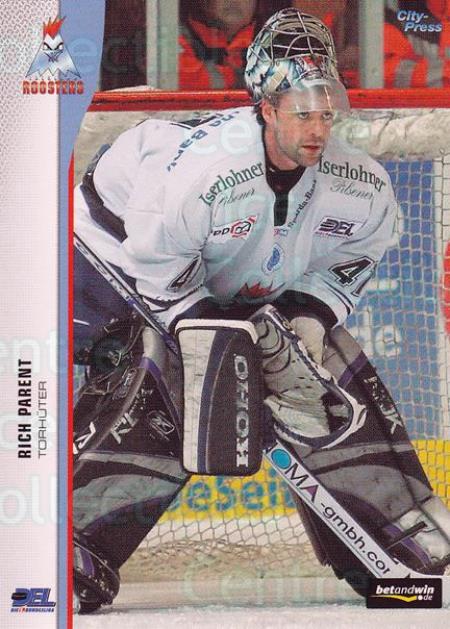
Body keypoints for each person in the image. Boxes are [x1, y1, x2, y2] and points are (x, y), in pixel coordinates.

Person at [73, 9, 450, 613]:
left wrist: (306, 316)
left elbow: (359, 249)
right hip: (106, 254)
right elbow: (155, 263)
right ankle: (74, 534)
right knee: (174, 375)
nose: (318, 129)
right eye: (302, 113)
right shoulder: (204, 174)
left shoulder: (356, 182)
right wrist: (220, 343)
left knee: (316, 364)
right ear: (267, 109)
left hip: (224, 268)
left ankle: (393, 527)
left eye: (326, 113)